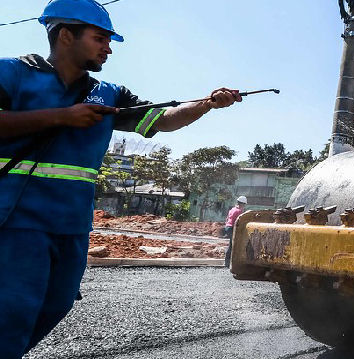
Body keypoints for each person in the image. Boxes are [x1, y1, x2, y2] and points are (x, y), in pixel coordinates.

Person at [0, 1, 242, 357]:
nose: (108, 48)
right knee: (13, 310)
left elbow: (164, 119)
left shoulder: (109, 93)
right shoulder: (13, 73)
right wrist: (62, 117)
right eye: (100, 38)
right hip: (17, 220)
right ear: (66, 35)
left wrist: (207, 103)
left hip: (72, 226)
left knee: (57, 304)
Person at [223, 196, 247, 267]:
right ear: (242, 204)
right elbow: (238, 223)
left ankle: (227, 263)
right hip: (232, 228)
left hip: (228, 227)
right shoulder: (239, 211)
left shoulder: (232, 209)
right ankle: (233, 263)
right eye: (244, 205)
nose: (244, 206)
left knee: (231, 245)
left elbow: (227, 218)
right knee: (235, 246)